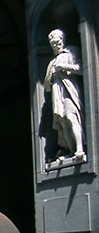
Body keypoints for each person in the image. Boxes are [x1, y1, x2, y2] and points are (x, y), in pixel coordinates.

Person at [44, 29, 84, 160]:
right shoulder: (52, 61)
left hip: (69, 90)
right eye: (53, 44)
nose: (56, 45)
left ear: (63, 40)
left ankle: (80, 148)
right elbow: (46, 84)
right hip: (57, 92)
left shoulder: (71, 51)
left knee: (71, 117)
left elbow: (81, 68)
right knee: (63, 122)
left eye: (57, 42)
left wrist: (64, 66)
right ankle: (71, 151)